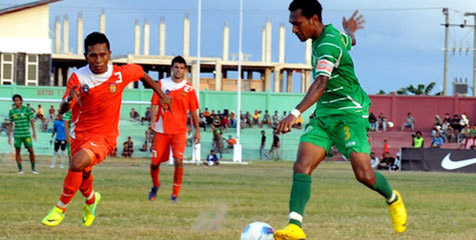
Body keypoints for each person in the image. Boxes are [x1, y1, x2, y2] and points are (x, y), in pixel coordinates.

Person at [273, 2, 407, 239]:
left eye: (297, 23)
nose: (294, 29)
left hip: (350, 115)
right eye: (292, 24)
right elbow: (350, 42)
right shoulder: (332, 36)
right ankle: (295, 226)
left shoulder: (328, 44)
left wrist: (295, 113)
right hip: (325, 115)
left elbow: (321, 83)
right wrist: (351, 31)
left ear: (314, 19)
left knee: (364, 175)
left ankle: (393, 199)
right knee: (302, 165)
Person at [41, 32, 171, 227]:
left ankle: (60, 208)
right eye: (93, 55)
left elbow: (141, 73)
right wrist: (69, 100)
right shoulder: (78, 77)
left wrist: (161, 94)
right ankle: (92, 201)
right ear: (86, 56)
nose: (98, 60)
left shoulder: (120, 74)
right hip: (79, 136)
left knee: (76, 164)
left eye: (103, 55)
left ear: (109, 54)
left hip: (104, 137)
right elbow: (63, 109)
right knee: (83, 174)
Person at [148, 55, 200, 203]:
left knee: (178, 161)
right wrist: (152, 121)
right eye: (176, 67)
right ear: (172, 68)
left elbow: (194, 110)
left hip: (179, 131)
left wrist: (197, 129)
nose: (178, 70)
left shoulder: (188, 89)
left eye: (182, 68)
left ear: (185, 70)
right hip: (161, 130)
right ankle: (155, 185)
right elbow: (154, 103)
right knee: (155, 162)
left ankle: (175, 194)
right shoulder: (162, 84)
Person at [8, 94, 38, 174]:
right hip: (17, 134)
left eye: (18, 100)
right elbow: (10, 124)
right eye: (15, 101)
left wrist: (34, 132)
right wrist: (9, 136)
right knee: (17, 151)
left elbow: (31, 120)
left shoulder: (27, 109)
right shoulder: (12, 111)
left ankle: (33, 169)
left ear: (21, 101)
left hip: (26, 134)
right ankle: (20, 169)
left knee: (31, 150)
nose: (16, 102)